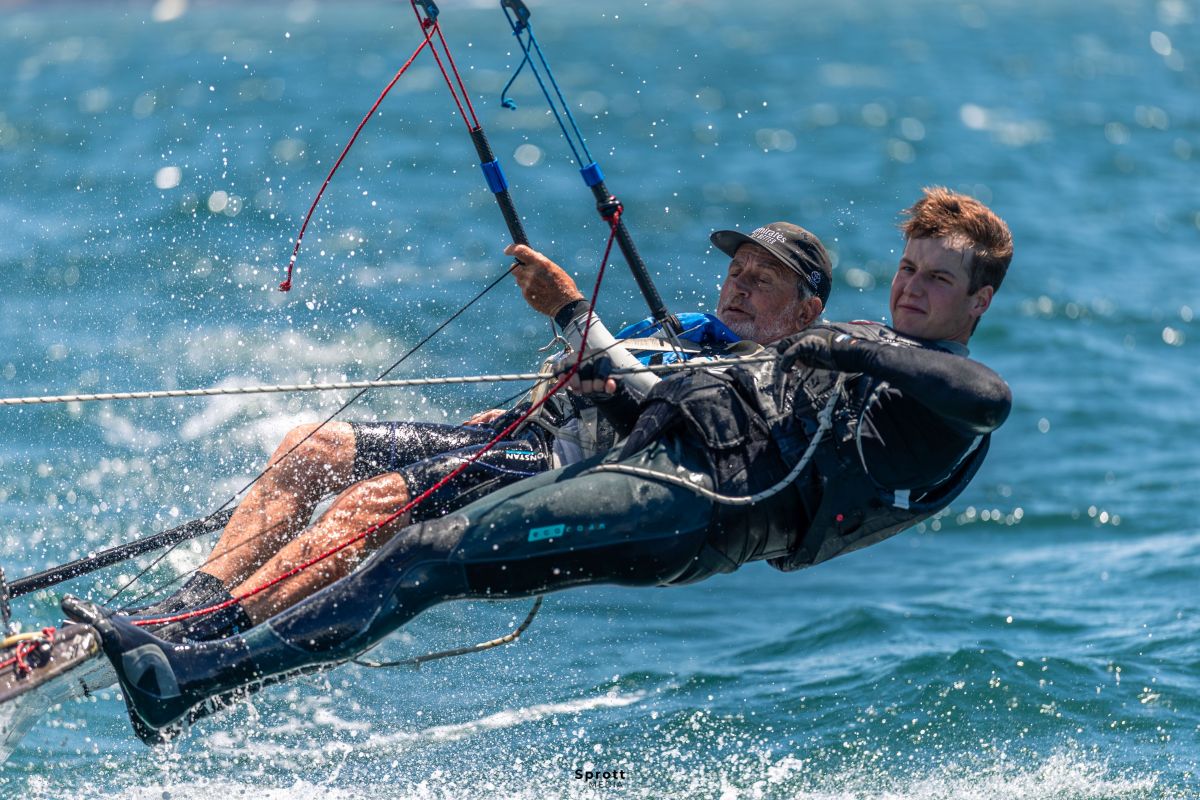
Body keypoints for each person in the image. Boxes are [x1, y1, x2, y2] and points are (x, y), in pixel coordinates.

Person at [65, 187, 1012, 743]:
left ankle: (191, 676)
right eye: (908, 269)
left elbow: (986, 400)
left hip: (699, 507)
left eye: (938, 279)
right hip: (661, 476)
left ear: (980, 298)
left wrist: (844, 351)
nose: (913, 289)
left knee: (420, 547)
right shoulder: (805, 339)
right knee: (390, 519)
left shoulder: (946, 397)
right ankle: (186, 646)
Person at [131, 221, 832, 643]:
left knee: (373, 504)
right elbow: (595, 379)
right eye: (735, 272)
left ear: (805, 313)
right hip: (515, 437)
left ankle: (213, 632)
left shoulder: (768, 373)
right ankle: (186, 605)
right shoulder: (681, 328)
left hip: (562, 477)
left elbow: (663, 416)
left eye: (762, 281)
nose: (737, 287)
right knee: (309, 446)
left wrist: (570, 314)